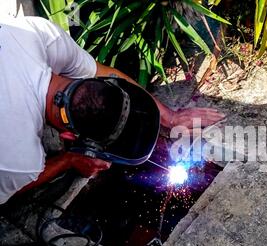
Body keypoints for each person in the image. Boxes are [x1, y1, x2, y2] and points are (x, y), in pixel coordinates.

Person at [0, 15, 225, 205]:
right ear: (69, 136)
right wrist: (67, 160)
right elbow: (12, 187)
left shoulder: (40, 35)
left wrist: (169, 117)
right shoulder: (20, 159)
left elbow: (101, 71)